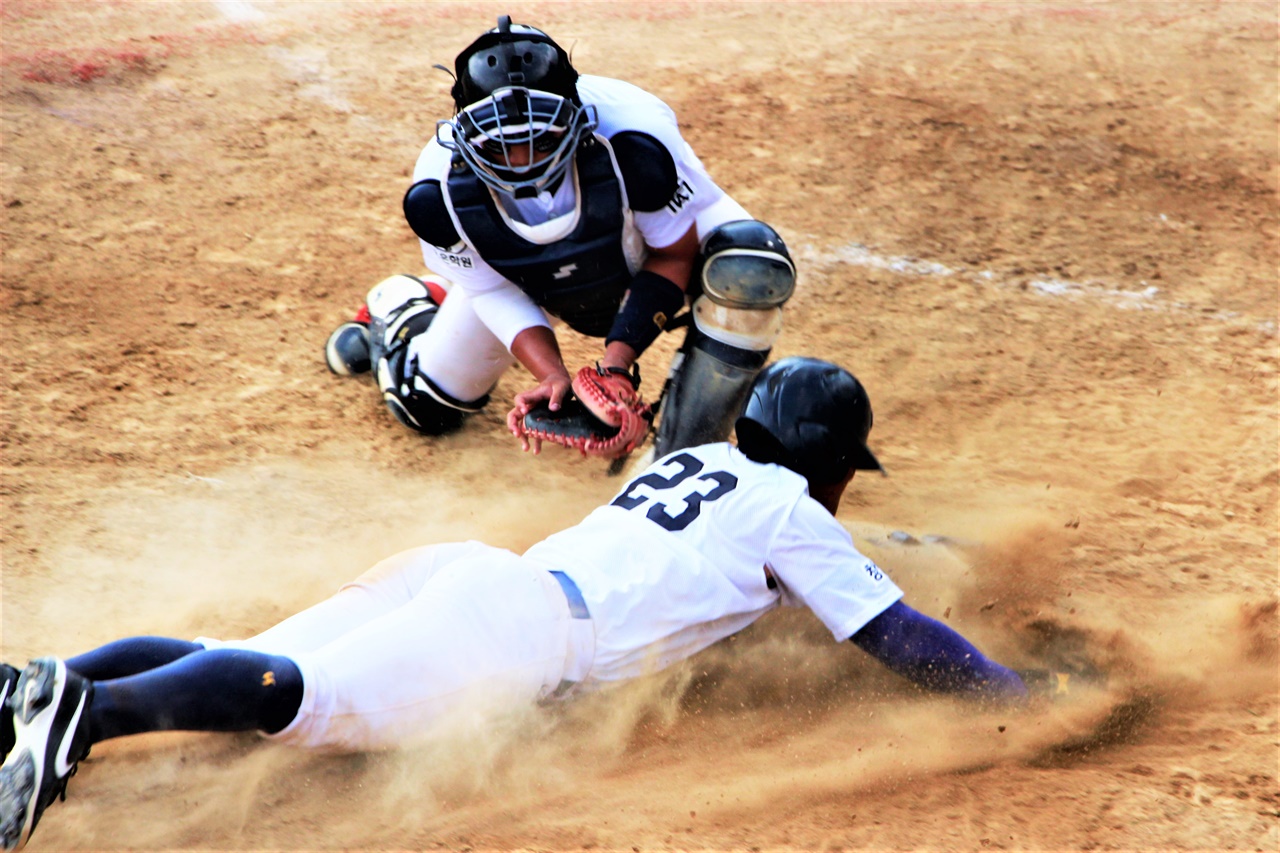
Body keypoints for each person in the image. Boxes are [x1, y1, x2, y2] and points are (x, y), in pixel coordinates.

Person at [1, 358, 1040, 851]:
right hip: (508, 631)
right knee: (294, 700)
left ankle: (45, 684)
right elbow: (894, 633)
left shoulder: (709, 469)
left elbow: (794, 570)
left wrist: (920, 552)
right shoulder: (795, 519)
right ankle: (82, 715)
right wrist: (1007, 693)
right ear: (826, 460)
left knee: (225, 655)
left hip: (468, 577)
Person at [323, 16, 798, 458]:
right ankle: (405, 304)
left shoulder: (634, 135)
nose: (522, 159)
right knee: (425, 407)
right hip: (522, 273)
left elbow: (674, 252)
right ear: (463, 134)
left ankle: (679, 454)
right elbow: (491, 289)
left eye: (542, 138)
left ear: (579, 115)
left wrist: (616, 363)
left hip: (640, 244)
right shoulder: (439, 189)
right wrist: (551, 374)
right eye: (500, 144)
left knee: (750, 268)